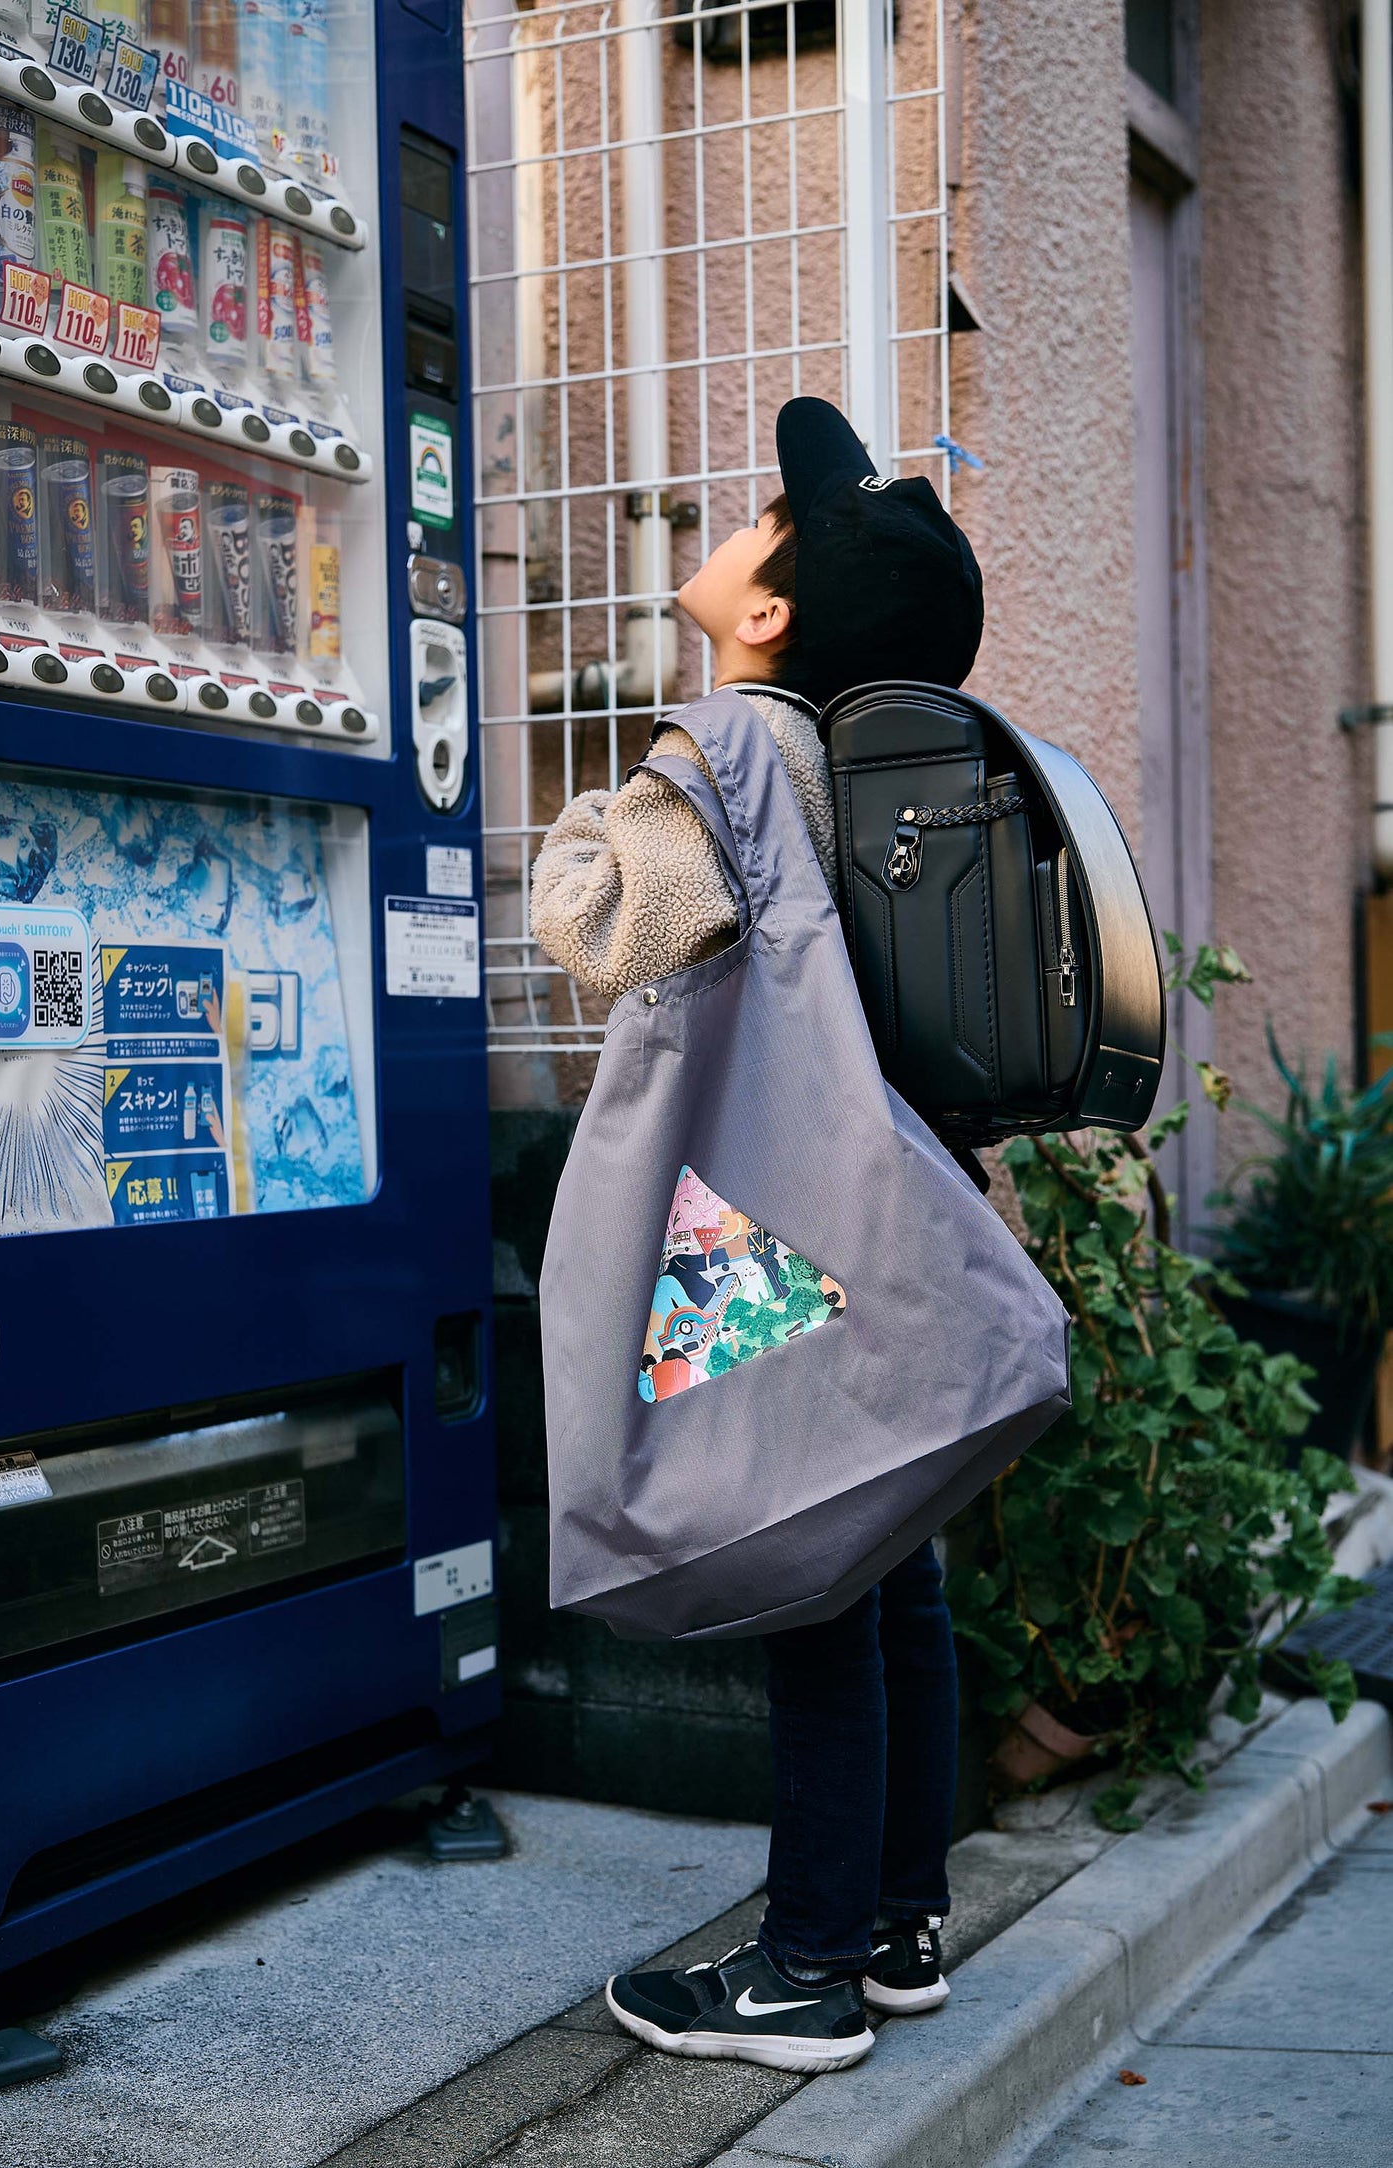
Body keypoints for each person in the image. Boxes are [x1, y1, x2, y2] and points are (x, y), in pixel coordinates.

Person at [530, 398, 985, 2076]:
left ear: (768, 612)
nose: (729, 529)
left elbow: (610, 929)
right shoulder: (871, 753)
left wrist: (592, 813)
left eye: (759, 525)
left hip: (757, 1208)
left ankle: (798, 1976)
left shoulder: (732, 745)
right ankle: (893, 1925)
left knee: (806, 1573)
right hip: (875, 1189)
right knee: (887, 1566)